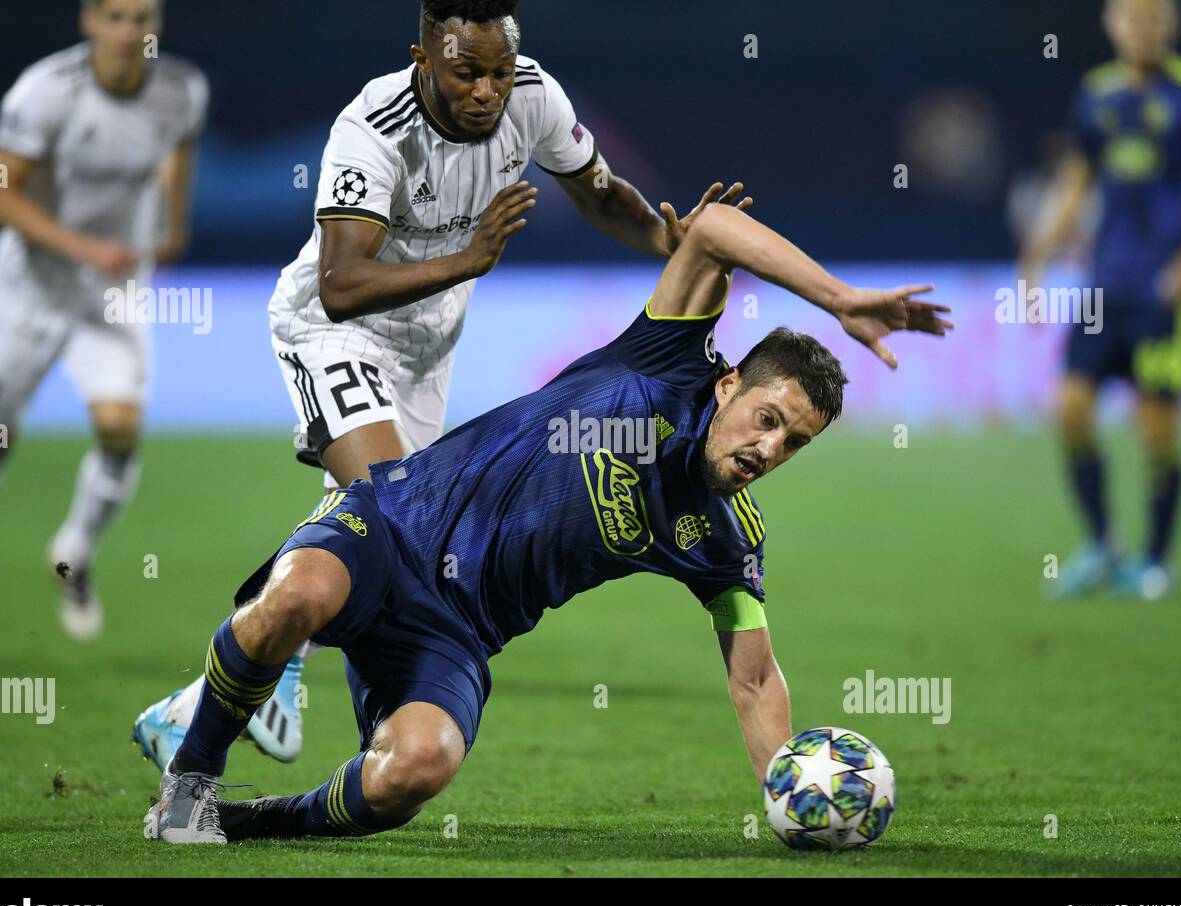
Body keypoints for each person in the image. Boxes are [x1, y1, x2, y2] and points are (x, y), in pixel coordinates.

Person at [143, 199, 951, 844]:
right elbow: (709, 230)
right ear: (731, 382)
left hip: (455, 634)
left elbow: (754, 677)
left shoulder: (726, 540)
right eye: (768, 417)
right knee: (297, 595)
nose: (770, 447)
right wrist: (842, 299)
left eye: (794, 443)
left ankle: (261, 820)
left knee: (415, 772)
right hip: (394, 526)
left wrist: (790, 789)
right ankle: (191, 785)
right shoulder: (662, 363)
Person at [134, 0, 755, 766]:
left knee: (395, 527)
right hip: (335, 330)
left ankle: (196, 703)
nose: (489, 90)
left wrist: (670, 241)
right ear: (425, 59)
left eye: (499, 71)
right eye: (468, 72)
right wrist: (467, 260)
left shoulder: (534, 96)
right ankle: (263, 682)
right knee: (386, 511)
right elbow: (341, 283)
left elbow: (599, 193)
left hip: (427, 350)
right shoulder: (373, 126)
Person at [0, 0, 207, 638]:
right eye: (116, 17)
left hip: (113, 295)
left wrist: (171, 227)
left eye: (142, 19)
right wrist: (87, 247)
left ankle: (75, 550)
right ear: (88, 21)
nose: (130, 32)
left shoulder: (181, 90)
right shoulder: (44, 92)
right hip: (30, 292)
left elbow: (177, 149)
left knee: (120, 432)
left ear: (158, 26)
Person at [1020, 0, 1181, 599]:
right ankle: (1102, 543)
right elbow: (1075, 183)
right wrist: (1037, 258)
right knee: (1069, 409)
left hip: (1166, 294)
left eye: (1155, 20)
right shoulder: (1096, 95)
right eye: (1133, 19)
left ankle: (1157, 561)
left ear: (1172, 27)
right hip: (1104, 288)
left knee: (1158, 429)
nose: (1144, 30)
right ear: (1113, 25)